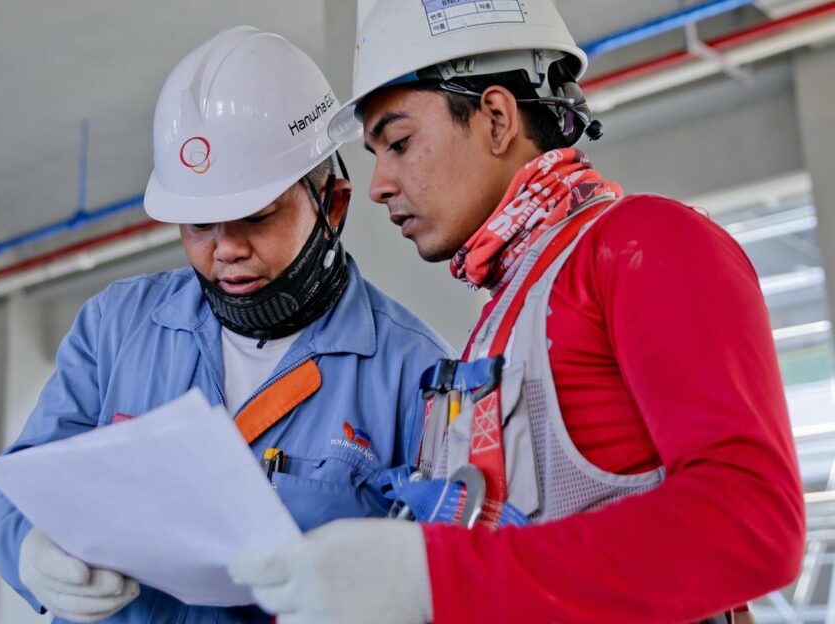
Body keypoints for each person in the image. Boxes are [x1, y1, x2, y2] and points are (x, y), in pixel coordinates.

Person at [228, 2, 805, 622]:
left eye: (398, 143)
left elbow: (751, 523)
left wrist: (433, 577)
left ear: (497, 118)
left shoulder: (645, 243)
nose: (378, 185)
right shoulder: (507, 315)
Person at [0, 26, 453, 623]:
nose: (225, 249)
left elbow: (444, 567)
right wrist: (28, 546)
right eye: (198, 224)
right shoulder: (115, 327)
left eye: (255, 218)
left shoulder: (415, 374)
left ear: (333, 204)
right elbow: (20, 479)